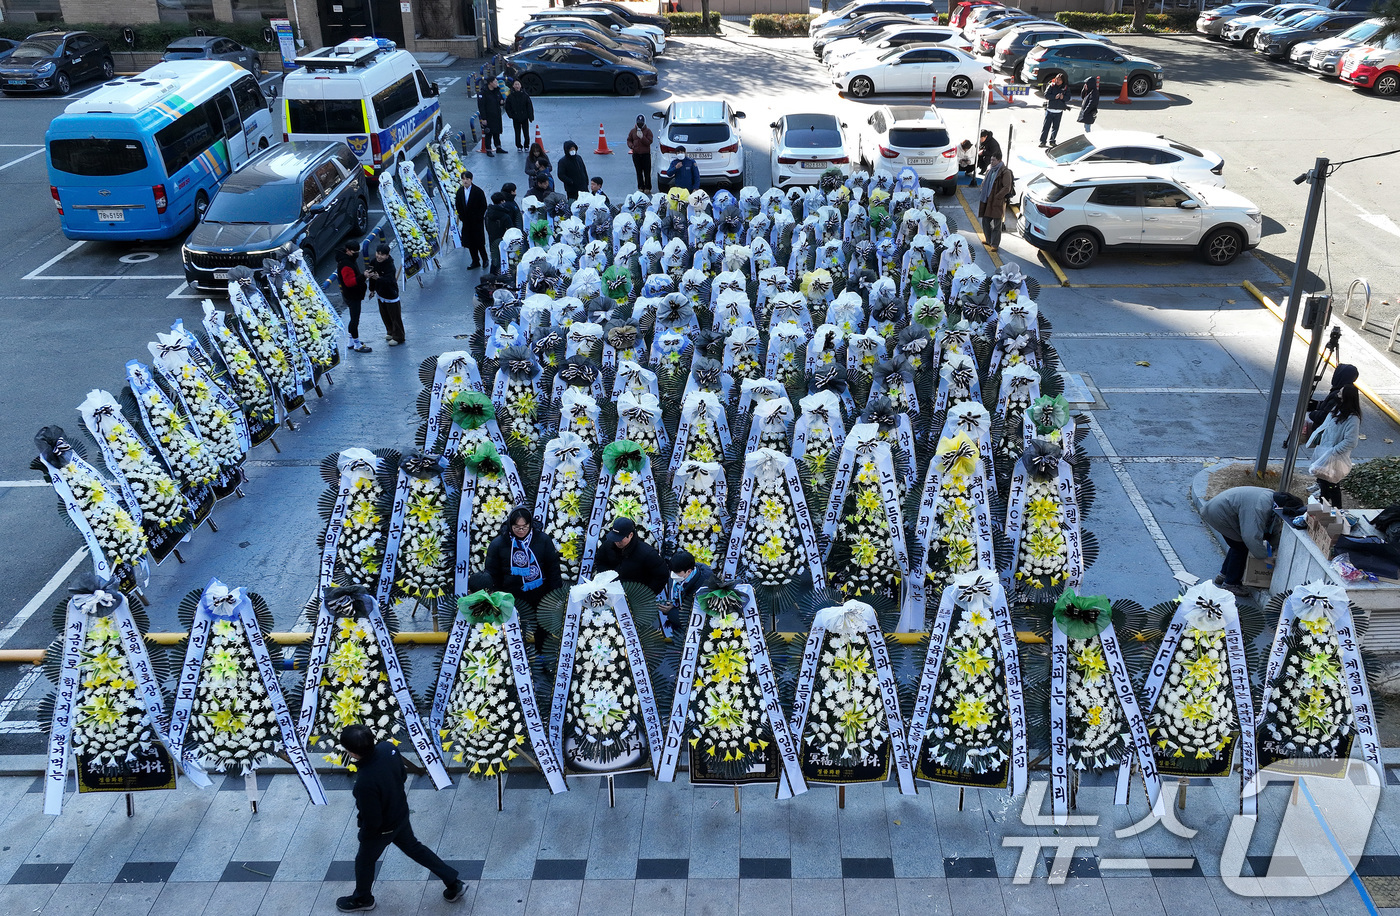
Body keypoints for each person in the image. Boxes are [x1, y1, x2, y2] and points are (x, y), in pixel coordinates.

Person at [336, 724, 464, 912]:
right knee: (415, 849)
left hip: (383, 828)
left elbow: (372, 820)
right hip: (400, 813)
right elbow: (402, 776)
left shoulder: (364, 782)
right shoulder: (389, 749)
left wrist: (365, 836)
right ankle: (453, 882)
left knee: (364, 861)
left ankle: (363, 899)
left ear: (353, 753)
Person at [1200, 488, 1303, 596]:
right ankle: (1230, 584)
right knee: (1241, 547)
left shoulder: (1273, 500)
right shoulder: (1260, 506)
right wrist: (1264, 557)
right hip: (1219, 513)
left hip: (1221, 509)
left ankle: (1224, 575)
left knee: (1237, 544)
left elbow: (1273, 527)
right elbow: (1250, 536)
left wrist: (1274, 546)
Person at [484, 507, 563, 609]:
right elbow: (492, 574)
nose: (521, 531)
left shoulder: (543, 540)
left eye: (525, 527)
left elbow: (553, 569)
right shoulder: (498, 544)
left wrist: (555, 597)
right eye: (516, 527)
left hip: (541, 598)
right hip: (510, 599)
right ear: (510, 525)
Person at [1307, 378, 1362, 508]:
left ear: (1346, 397)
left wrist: (1333, 452)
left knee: (1332, 485)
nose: (1337, 394)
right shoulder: (1337, 409)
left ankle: (1336, 511)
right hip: (1324, 453)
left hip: (1333, 456)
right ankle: (1322, 509)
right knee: (1323, 483)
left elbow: (1351, 441)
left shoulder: (1352, 419)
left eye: (1341, 393)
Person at [593, 517, 668, 595]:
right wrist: (608, 579)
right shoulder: (608, 545)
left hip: (636, 597)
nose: (616, 542)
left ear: (631, 535)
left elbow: (662, 575)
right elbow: (600, 561)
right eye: (614, 538)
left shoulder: (647, 553)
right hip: (612, 592)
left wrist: (646, 595)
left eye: (620, 539)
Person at [657, 549, 711, 636]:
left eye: (677, 573)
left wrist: (671, 611)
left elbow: (694, 617)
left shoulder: (703, 586)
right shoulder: (683, 573)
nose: (673, 575)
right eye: (672, 571)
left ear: (689, 571)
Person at [364, 243, 404, 346]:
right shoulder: (374, 261)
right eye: (378, 253)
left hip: (390, 294)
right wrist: (371, 289)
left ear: (387, 255)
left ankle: (398, 336)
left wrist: (379, 278)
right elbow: (372, 276)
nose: (379, 256)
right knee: (385, 315)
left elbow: (390, 280)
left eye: (382, 254)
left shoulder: (390, 266)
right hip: (380, 293)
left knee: (395, 316)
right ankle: (390, 331)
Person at [335, 242, 371, 353]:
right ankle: (356, 344)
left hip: (350, 294)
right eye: (354, 251)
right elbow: (350, 282)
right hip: (353, 295)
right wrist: (363, 276)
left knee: (353, 318)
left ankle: (351, 341)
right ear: (348, 250)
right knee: (355, 319)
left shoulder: (346, 260)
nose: (356, 254)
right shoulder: (346, 265)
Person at [977, 150, 1014, 254]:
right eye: (991, 160)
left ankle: (995, 244)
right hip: (987, 200)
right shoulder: (991, 170)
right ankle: (989, 240)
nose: (991, 162)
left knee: (997, 224)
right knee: (985, 221)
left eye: (993, 160)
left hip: (997, 201)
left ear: (999, 160)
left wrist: (998, 197)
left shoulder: (1005, 172)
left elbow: (1007, 187)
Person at [454, 170, 488, 270]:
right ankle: (475, 261)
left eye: (467, 179)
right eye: (463, 179)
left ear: (471, 179)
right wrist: (462, 216)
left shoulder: (478, 191)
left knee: (479, 242)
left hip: (476, 222)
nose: (465, 181)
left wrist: (478, 217)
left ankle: (485, 259)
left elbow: (483, 206)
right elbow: (458, 205)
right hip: (467, 221)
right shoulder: (460, 191)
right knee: (470, 243)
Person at [484, 192, 513, 274]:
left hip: (492, 239)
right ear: (502, 201)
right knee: (505, 260)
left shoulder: (488, 213)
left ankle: (492, 278)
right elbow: (510, 231)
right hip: (503, 241)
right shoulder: (505, 216)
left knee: (495, 260)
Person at [503, 78, 534, 152]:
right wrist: (511, 115)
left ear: (521, 85)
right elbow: (507, 107)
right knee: (517, 132)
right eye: (515, 84)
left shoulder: (525, 95)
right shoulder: (510, 96)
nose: (517, 86)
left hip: (524, 117)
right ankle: (518, 146)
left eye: (518, 84)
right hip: (515, 117)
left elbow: (529, 106)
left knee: (526, 132)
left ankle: (526, 145)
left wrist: (531, 116)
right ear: (513, 86)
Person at [477, 75, 504, 156]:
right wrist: (483, 118)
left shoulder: (497, 91)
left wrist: (502, 102)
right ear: (490, 83)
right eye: (495, 82)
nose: (497, 83)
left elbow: (501, 99)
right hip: (488, 115)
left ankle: (498, 147)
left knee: (497, 132)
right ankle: (488, 149)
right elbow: (481, 106)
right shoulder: (483, 93)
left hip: (496, 114)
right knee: (488, 133)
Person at [626, 113, 654, 193]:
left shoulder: (648, 131)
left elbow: (649, 142)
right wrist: (632, 146)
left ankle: (648, 187)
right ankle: (640, 186)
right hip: (636, 154)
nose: (640, 124)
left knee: (647, 171)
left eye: (641, 123)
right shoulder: (633, 131)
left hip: (645, 154)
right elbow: (629, 140)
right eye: (639, 122)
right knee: (638, 171)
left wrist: (642, 137)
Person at [1040, 73, 1068, 148]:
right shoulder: (1051, 86)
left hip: (1059, 111)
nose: (1057, 81)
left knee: (1055, 128)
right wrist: (1054, 97)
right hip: (1050, 110)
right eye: (1056, 79)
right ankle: (1042, 141)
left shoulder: (1065, 88)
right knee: (1046, 127)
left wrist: (1063, 97)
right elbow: (1046, 95)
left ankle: (1052, 141)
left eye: (1059, 80)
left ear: (1062, 81)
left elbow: (1068, 97)